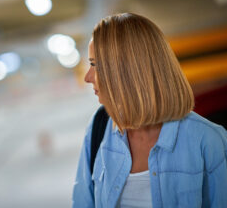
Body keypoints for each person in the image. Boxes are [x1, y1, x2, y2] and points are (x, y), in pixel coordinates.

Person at [72, 13, 227, 208]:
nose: (88, 77)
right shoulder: (98, 128)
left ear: (126, 69)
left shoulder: (209, 140)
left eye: (95, 65)